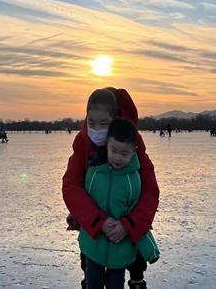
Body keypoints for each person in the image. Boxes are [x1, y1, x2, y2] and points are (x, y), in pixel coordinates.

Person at [63, 88, 160, 289]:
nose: (96, 129)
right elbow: (71, 186)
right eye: (91, 123)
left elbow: (149, 190)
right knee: (91, 268)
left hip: (126, 223)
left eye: (103, 124)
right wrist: (97, 221)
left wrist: (129, 224)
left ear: (114, 120)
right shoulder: (84, 142)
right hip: (94, 228)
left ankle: (136, 280)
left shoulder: (131, 141)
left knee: (129, 265)